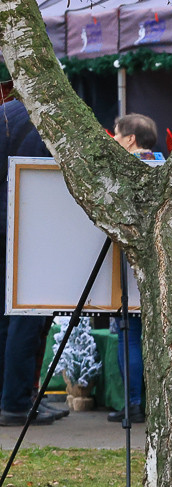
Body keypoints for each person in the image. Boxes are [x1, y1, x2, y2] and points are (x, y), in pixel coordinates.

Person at [0, 100, 65, 426]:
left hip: (6, 220)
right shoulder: (50, 114)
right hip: (29, 221)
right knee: (28, 314)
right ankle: (16, 400)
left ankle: (9, 398)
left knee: (6, 317)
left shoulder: (5, 114)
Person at [107, 113, 163, 424]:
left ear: (130, 139)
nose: (113, 140)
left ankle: (133, 403)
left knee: (128, 335)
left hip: (126, 264)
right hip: (160, 263)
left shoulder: (122, 170)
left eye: (116, 135)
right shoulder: (163, 165)